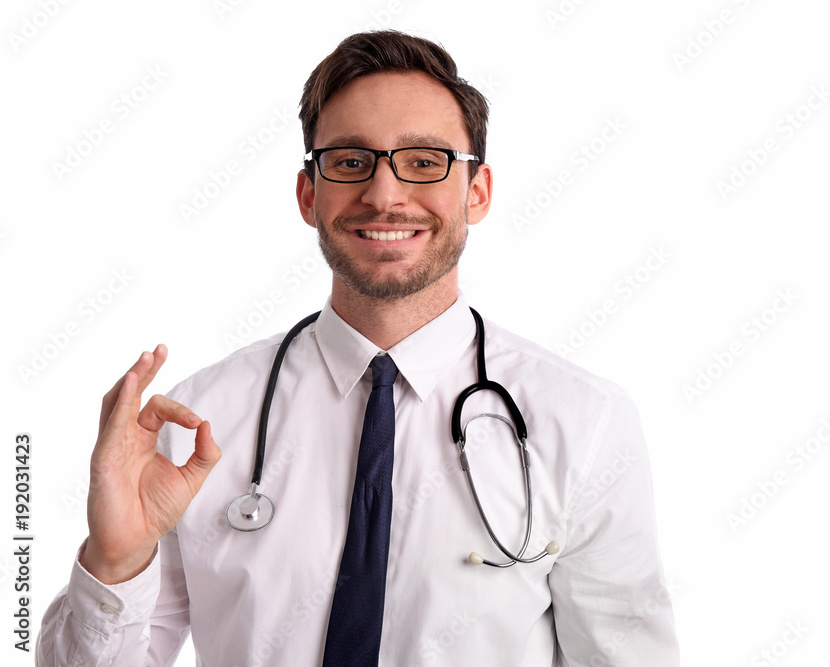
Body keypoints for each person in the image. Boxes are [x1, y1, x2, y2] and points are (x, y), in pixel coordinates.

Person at [37, 30, 679, 666]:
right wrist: (115, 561)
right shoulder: (198, 425)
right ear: (308, 193)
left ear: (476, 191)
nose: (384, 194)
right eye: (350, 161)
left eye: (425, 161)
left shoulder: (583, 422)